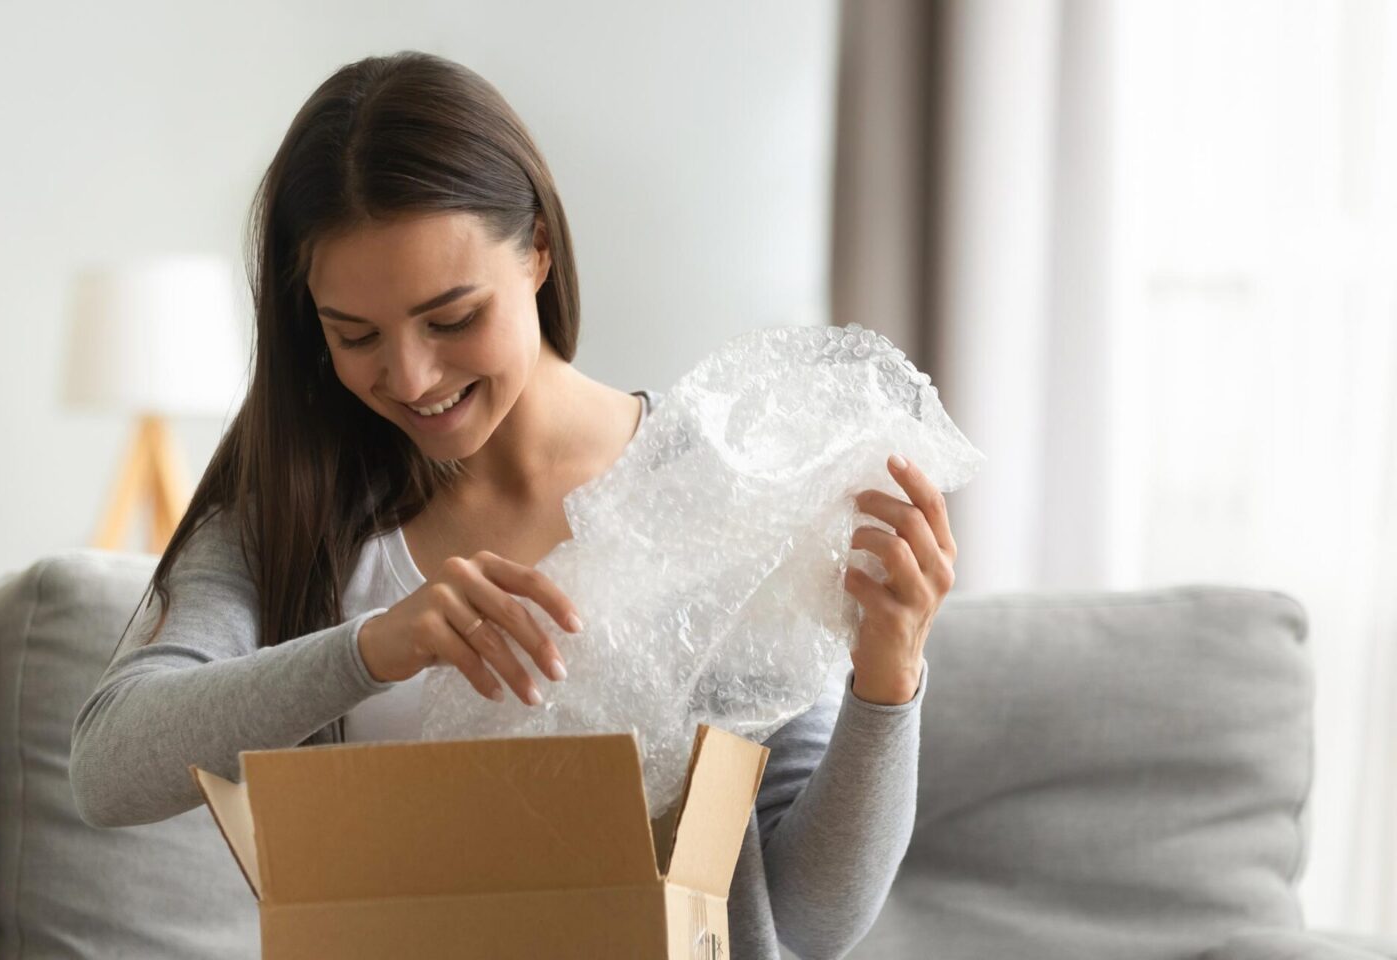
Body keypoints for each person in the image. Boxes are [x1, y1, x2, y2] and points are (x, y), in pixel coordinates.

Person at [69, 50, 957, 960]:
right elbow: (107, 770)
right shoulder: (295, 517)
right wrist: (376, 645)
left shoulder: (721, 496)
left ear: (537, 248)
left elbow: (805, 924)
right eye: (356, 335)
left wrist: (887, 684)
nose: (410, 376)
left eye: (451, 318)